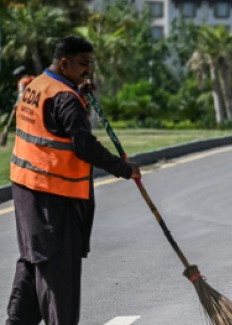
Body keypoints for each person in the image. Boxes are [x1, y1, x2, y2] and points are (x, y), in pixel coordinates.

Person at [6, 35, 141, 325]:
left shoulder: (38, 85)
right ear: (65, 63)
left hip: (25, 188)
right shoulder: (66, 98)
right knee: (59, 273)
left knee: (34, 259)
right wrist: (125, 168)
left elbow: (55, 127)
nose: (87, 71)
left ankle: (17, 321)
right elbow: (84, 145)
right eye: (82, 64)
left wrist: (79, 94)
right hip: (52, 195)